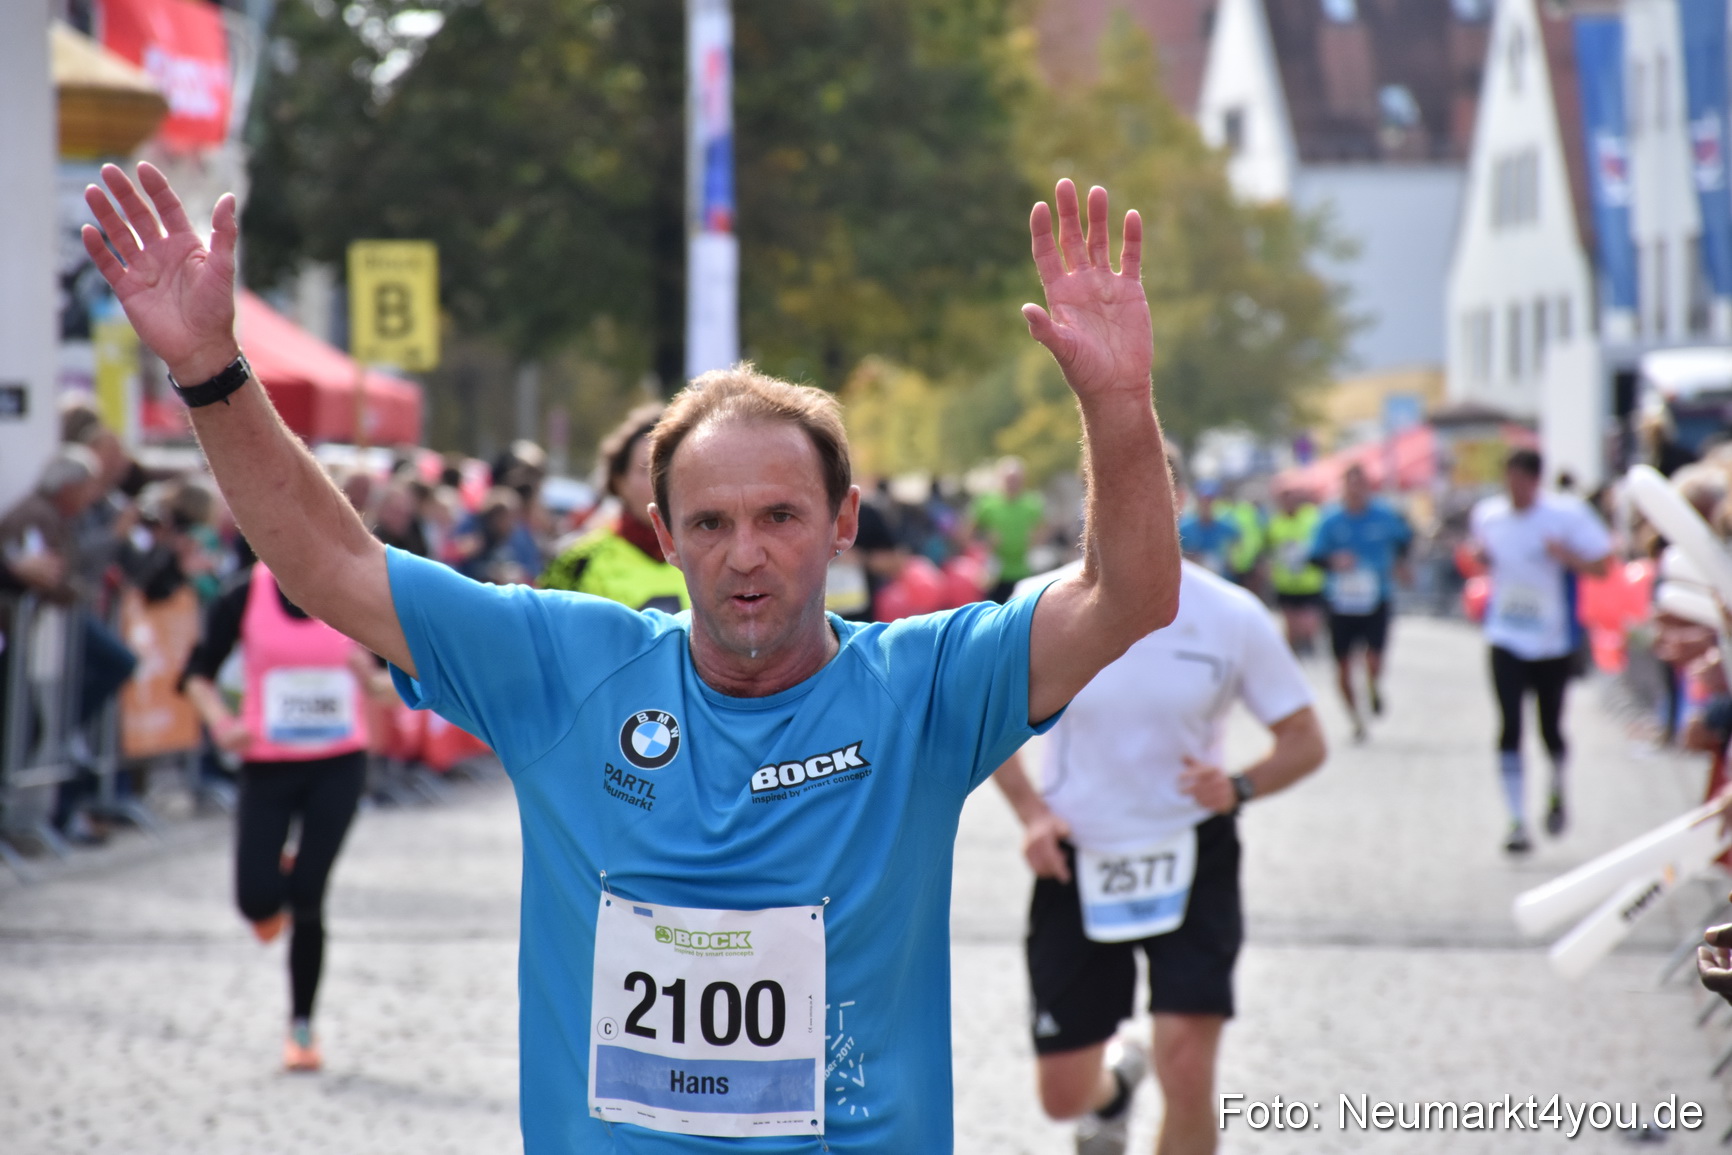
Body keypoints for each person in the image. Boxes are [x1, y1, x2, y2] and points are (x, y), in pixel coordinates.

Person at [83, 164, 1180, 1152]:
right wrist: (212, 372)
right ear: (662, 536)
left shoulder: (927, 687)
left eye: (780, 517)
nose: (745, 555)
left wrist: (1118, 404)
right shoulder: (567, 668)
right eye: (708, 524)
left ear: (844, 521)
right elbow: (333, 567)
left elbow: (1130, 596)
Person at [992, 477, 1326, 1155]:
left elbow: (1305, 739)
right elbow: (985, 724)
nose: (1129, 512)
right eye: (1112, 496)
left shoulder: (1230, 613)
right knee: (1061, 1095)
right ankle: (1114, 1090)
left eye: (1146, 495)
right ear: (1089, 503)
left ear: (1174, 506)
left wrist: (1239, 784)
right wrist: (1031, 814)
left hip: (1191, 849)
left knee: (1187, 1066)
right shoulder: (1037, 603)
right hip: (1077, 853)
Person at [179, 556, 390, 1071]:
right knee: (255, 900)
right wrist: (221, 723)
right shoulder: (241, 595)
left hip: (337, 767)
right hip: (267, 767)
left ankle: (302, 1027)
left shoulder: (352, 590)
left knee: (310, 899)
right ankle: (276, 888)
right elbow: (196, 674)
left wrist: (373, 679)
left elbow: (398, 686)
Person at [1468, 448, 1611, 854]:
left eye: (1521, 483)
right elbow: (1484, 555)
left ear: (1536, 481)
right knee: (1509, 723)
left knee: (1549, 727)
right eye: (1508, 481)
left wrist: (1564, 556)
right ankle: (1516, 821)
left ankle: (1556, 785)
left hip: (1551, 640)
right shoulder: (1489, 516)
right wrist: (1481, 559)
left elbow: (1603, 566)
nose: (1514, 491)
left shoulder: (1565, 516)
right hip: (1505, 635)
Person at [540, 403, 688, 611]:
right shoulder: (577, 563)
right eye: (648, 469)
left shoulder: (710, 556)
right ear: (620, 482)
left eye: (673, 469)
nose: (663, 483)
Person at [1310, 464, 1413, 741]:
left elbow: (1405, 539)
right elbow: (1314, 556)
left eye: (1360, 484)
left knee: (1374, 658)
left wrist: (1401, 565)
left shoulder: (1384, 515)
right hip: (1340, 601)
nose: (1355, 491)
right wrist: (1334, 561)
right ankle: (1356, 719)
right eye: (1350, 484)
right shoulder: (1329, 519)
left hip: (1376, 596)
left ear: (1367, 487)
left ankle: (1373, 683)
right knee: (1343, 665)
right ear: (1343, 487)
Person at [969, 455, 1046, 602]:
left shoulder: (1032, 503)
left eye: (1016, 479)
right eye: (1008, 479)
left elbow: (1044, 528)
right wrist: (985, 540)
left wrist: (1035, 539)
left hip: (1023, 569)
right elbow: (969, 532)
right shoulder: (987, 504)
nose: (1012, 483)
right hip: (995, 570)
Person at [1265, 484, 1325, 655]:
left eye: (1291, 497)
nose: (1289, 502)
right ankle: (1292, 656)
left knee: (1308, 624)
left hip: (1310, 582)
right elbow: (1269, 549)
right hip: (1286, 583)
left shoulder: (1312, 517)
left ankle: (1307, 641)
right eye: (1284, 498)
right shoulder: (1274, 522)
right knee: (1290, 627)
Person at [1177, 482, 1238, 578]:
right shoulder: (1184, 528)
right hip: (1195, 579)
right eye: (1204, 500)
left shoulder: (1228, 528)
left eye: (1210, 500)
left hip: (1221, 579)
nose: (1207, 504)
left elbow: (1237, 552)